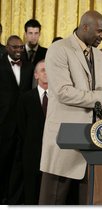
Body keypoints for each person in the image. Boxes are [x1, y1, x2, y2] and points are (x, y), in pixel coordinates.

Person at [38, 10, 102, 205]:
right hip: (64, 138)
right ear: (85, 27)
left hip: (96, 140)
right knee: (53, 200)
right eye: (99, 31)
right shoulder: (59, 49)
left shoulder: (100, 57)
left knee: (93, 201)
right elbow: (63, 92)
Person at [0, 35, 33, 204]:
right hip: (3, 124)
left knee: (19, 163)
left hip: (23, 123)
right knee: (3, 161)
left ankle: (15, 199)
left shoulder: (29, 67)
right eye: (14, 47)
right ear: (7, 48)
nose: (18, 50)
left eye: (21, 47)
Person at [14, 60, 48, 204]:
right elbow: (21, 127)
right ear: (36, 75)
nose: (47, 73)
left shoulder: (62, 99)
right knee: (32, 193)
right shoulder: (25, 98)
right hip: (32, 154)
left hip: (54, 154)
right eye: (43, 70)